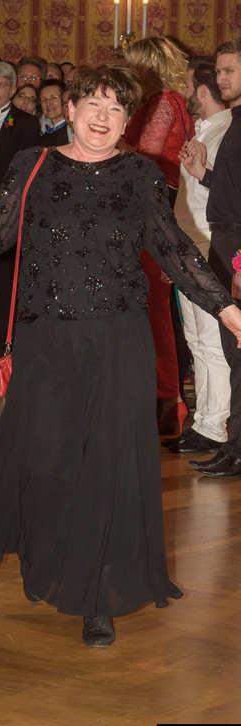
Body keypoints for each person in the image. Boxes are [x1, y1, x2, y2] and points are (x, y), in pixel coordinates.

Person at [0, 64, 241, 647]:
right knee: (48, 461)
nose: (103, 117)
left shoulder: (141, 174)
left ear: (127, 122)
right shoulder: (33, 165)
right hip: (46, 340)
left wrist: (227, 309)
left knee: (107, 466)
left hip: (119, 340)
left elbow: (174, 249)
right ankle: (49, 561)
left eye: (116, 108)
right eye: (92, 104)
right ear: (70, 110)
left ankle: (97, 595)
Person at [124, 36, 195, 434]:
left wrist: (102, 139)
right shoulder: (175, 101)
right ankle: (167, 398)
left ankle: (166, 396)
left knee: (152, 308)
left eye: (133, 64)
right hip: (163, 208)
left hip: (152, 211)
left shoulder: (162, 101)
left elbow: (145, 157)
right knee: (155, 308)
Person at [164, 57, 231, 455]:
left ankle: (214, 425)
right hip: (188, 245)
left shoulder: (227, 131)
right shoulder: (203, 129)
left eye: (188, 87)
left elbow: (222, 196)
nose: (184, 94)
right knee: (196, 339)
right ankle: (204, 421)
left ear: (202, 91)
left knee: (211, 339)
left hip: (208, 244)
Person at [181, 38, 241, 477]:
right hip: (224, 239)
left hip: (235, 243)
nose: (221, 78)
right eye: (218, 71)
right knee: (231, 350)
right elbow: (232, 191)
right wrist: (204, 175)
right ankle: (234, 445)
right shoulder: (235, 121)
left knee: (235, 350)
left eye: (229, 70)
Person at [0, 61, 40, 362]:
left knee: (6, 277)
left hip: (9, 211)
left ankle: (9, 342)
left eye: (2, 85)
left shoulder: (25, 123)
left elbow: (28, 170)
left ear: (13, 89)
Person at [39, 78, 68, 145]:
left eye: (53, 98)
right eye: (44, 100)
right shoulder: (41, 135)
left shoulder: (73, 133)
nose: (48, 103)